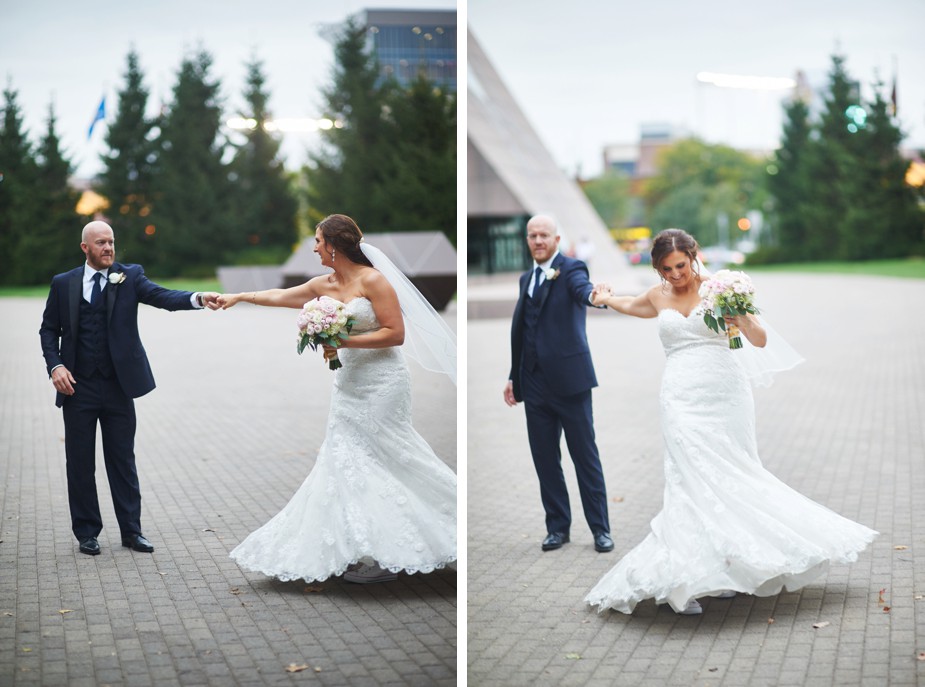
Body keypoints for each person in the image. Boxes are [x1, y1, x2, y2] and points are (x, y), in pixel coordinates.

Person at [584, 228, 877, 615]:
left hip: (726, 395)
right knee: (687, 480)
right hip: (679, 399)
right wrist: (604, 299)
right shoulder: (657, 296)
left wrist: (737, 310)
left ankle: (725, 570)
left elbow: (758, 339)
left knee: (733, 476)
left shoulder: (720, 288)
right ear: (657, 268)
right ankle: (684, 582)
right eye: (667, 269)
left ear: (693, 256)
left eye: (681, 265)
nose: (676, 275)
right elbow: (632, 305)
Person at [218, 214, 456, 584]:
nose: (314, 248)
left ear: (333, 244)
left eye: (317, 241)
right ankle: (360, 544)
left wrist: (343, 341)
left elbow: (395, 334)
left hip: (383, 382)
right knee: (345, 462)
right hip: (347, 384)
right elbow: (280, 296)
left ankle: (395, 547)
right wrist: (239, 297)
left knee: (388, 457)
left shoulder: (374, 280)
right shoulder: (324, 284)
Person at [39, 220, 220, 556]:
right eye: (101, 243)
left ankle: (132, 531)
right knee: (79, 463)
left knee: (122, 460)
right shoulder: (63, 284)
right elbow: (48, 331)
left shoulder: (130, 275)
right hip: (77, 388)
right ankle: (87, 532)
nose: (108, 248)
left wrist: (197, 298)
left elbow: (162, 296)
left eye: (111, 242)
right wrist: (56, 366)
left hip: (118, 386)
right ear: (85, 248)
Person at [504, 214, 614, 554]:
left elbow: (583, 293)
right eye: (532, 235)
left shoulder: (573, 268)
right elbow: (523, 330)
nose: (537, 241)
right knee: (545, 460)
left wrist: (597, 297)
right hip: (533, 383)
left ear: (556, 240)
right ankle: (557, 528)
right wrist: (513, 375)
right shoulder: (526, 278)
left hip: (570, 382)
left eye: (544, 236)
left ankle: (600, 530)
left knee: (585, 457)